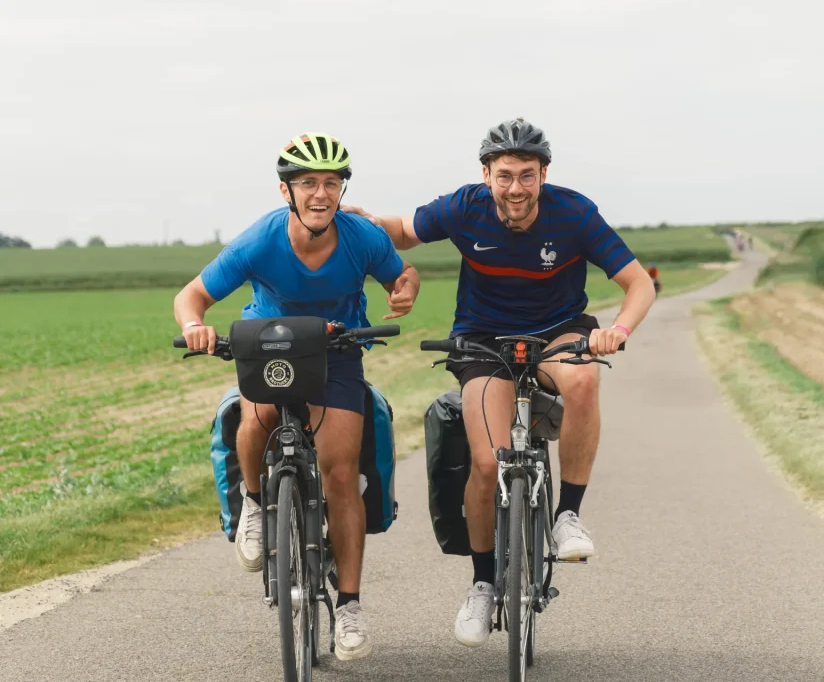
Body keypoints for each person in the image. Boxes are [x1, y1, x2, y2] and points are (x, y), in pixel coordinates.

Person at [341, 118, 655, 648]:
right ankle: (483, 582)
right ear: (486, 175)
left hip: (559, 331)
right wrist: (366, 223)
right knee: (488, 463)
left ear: (543, 175)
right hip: (483, 338)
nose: (515, 188)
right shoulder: (465, 207)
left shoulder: (574, 212)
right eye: (505, 175)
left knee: (582, 384)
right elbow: (404, 231)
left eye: (527, 176)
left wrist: (617, 330)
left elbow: (638, 283)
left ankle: (567, 516)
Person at [172, 133, 420, 661]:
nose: (320, 193)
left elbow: (402, 274)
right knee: (256, 416)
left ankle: (349, 606)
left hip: (338, 351)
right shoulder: (260, 241)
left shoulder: (361, 237)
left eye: (331, 183)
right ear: (286, 190)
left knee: (339, 470)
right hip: (270, 345)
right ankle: (257, 506)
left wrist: (405, 289)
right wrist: (195, 324)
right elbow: (191, 296)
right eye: (308, 182)